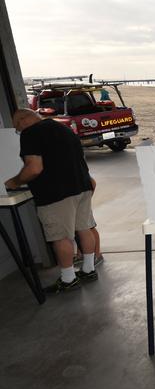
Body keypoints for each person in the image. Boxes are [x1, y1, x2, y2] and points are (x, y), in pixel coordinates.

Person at [4, 109, 97, 293]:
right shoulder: (62, 128)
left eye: (17, 127)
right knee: (84, 229)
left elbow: (34, 168)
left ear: (23, 120)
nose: (19, 131)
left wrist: (13, 182)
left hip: (56, 193)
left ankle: (68, 279)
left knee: (61, 236)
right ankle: (88, 270)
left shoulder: (31, 133)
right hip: (81, 186)